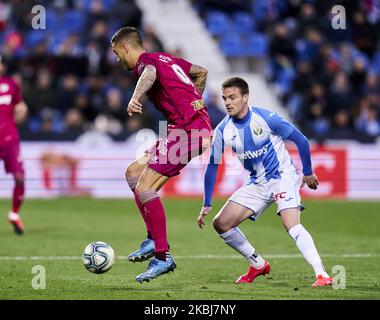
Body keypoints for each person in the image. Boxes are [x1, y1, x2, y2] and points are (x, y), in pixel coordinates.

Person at [197, 77, 333, 287]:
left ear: (245, 97)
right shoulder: (223, 130)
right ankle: (258, 264)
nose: (228, 103)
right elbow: (212, 166)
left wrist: (307, 172)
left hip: (282, 177)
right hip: (257, 183)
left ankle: (321, 274)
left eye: (232, 97)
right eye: (225, 98)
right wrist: (207, 201)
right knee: (221, 224)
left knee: (291, 224)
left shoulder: (266, 118)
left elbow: (301, 140)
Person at [111, 27, 212, 282]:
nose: (116, 58)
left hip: (189, 132)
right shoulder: (166, 58)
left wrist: (135, 97)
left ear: (125, 48)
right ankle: (152, 239)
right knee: (133, 172)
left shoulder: (147, 63)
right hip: (185, 130)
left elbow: (150, 73)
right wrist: (192, 101)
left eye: (116, 52)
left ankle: (163, 256)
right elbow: (201, 72)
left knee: (145, 187)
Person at [0, 54, 28, 235]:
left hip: (9, 139)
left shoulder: (11, 84)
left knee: (19, 177)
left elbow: (20, 106)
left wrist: (20, 114)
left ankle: (14, 214)